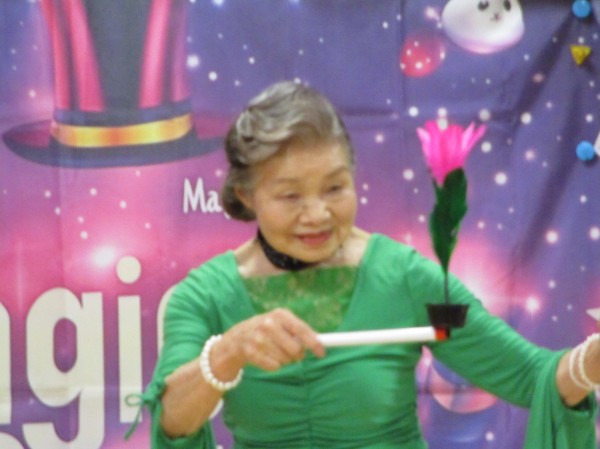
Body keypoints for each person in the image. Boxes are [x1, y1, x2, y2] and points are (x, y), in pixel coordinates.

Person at [140, 81, 599, 449]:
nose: (318, 213)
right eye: (290, 196)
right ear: (246, 196)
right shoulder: (204, 297)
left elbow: (532, 376)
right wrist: (227, 352)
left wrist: (590, 362)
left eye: (335, 188)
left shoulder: (411, 281)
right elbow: (171, 421)